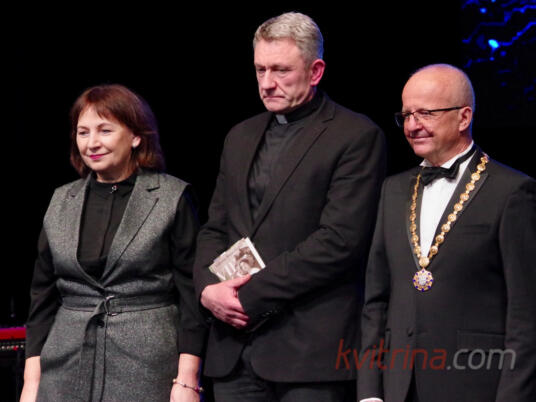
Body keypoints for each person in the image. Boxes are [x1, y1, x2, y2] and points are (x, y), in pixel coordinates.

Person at [193, 12, 386, 402]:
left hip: (308, 351)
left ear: (316, 71)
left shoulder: (355, 136)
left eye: (281, 70)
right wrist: (208, 289)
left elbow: (339, 241)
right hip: (234, 351)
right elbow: (216, 227)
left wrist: (246, 295)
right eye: (260, 70)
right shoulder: (240, 136)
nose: (267, 83)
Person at [358, 64, 536, 402]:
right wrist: (369, 392)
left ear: (463, 117)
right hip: (398, 387)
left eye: (425, 113)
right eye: (406, 115)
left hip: (475, 385)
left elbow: (526, 314)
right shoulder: (392, 190)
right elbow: (375, 300)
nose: (412, 125)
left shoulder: (512, 192)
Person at [20, 85, 207, 402]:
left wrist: (187, 379)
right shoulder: (61, 200)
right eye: (83, 132)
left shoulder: (171, 196)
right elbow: (42, 296)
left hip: (146, 364)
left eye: (105, 130)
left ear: (136, 136)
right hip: (65, 365)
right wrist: (31, 382)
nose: (91, 143)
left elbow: (191, 294)